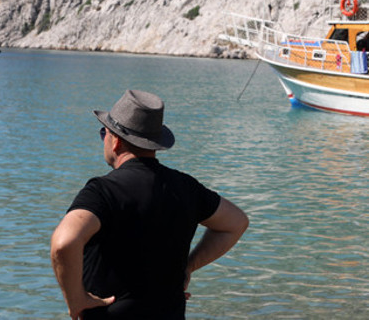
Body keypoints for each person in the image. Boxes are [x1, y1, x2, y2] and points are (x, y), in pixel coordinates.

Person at [50, 90, 249, 319]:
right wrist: (188, 266)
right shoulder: (186, 187)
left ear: (116, 141)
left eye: (103, 132)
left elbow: (63, 243)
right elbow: (236, 222)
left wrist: (76, 299)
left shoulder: (103, 191)